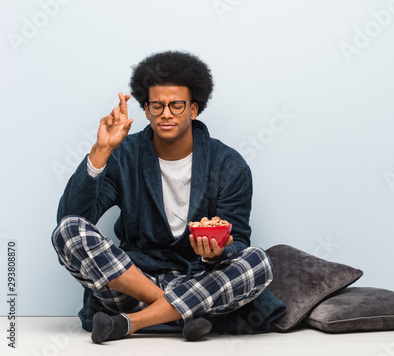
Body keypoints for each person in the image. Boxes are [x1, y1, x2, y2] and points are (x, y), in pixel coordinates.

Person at [51, 51, 279, 343]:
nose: (166, 114)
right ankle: (181, 314)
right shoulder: (125, 156)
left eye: (176, 105)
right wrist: (101, 151)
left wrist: (217, 253)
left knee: (258, 260)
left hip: (199, 280)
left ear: (193, 109)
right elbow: (74, 218)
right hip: (134, 284)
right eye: (157, 105)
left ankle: (130, 324)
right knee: (68, 231)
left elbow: (240, 241)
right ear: (146, 111)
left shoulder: (228, 165)